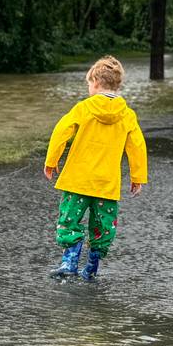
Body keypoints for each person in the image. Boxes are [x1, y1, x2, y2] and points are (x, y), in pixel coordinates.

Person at [44, 56, 148, 280]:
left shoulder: (84, 108)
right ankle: (91, 268)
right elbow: (137, 146)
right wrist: (137, 177)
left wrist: (51, 160)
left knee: (69, 220)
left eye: (89, 83)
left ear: (97, 82)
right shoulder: (127, 115)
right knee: (103, 226)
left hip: (77, 181)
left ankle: (69, 262)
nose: (89, 87)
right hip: (106, 185)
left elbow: (61, 130)